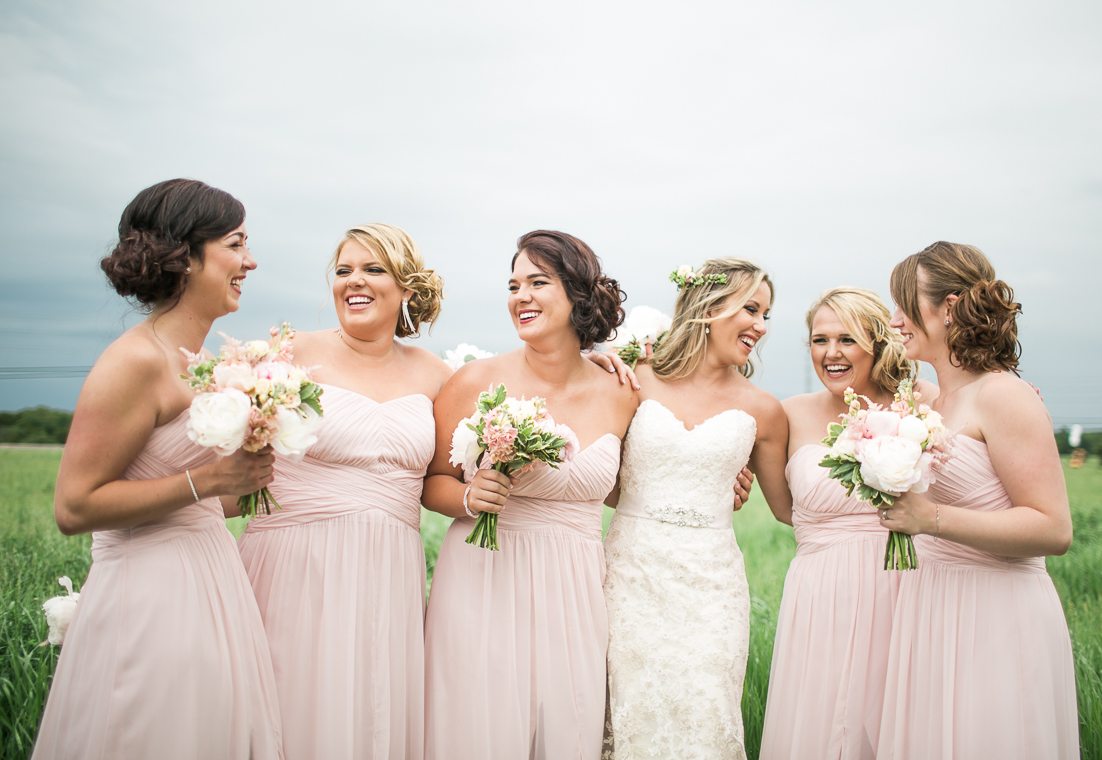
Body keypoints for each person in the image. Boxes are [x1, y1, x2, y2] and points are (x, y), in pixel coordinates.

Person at [33, 179, 283, 759]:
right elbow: (74, 507)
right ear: (185, 256)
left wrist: (247, 482)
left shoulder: (206, 364)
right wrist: (210, 481)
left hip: (213, 579)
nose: (250, 261)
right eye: (236, 243)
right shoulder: (134, 362)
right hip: (149, 594)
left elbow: (193, 493)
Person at [422, 230, 638, 760]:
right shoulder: (474, 380)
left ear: (577, 294)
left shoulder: (624, 390)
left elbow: (627, 486)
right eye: (514, 284)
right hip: (484, 574)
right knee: (477, 723)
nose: (521, 296)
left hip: (575, 585)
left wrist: (723, 477)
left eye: (538, 282)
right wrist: (470, 497)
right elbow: (432, 483)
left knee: (568, 721)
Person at [237, 223, 449, 759]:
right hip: (293, 564)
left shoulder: (435, 374)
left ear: (406, 287)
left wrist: (587, 359)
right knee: (289, 708)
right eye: (343, 270)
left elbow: (445, 476)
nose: (354, 281)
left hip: (389, 573)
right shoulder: (287, 353)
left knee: (373, 715)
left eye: (373, 269)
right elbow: (224, 462)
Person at [876, 241, 1078, 759]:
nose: (894, 320)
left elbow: (1053, 529)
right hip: (929, 604)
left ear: (948, 308)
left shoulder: (1002, 395)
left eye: (904, 303)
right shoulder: (924, 400)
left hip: (996, 610)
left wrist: (930, 518)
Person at [603, 258, 791, 760]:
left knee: (705, 709)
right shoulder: (633, 378)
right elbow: (602, 482)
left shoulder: (764, 410)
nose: (761, 326)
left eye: (766, 314)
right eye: (750, 308)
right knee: (626, 707)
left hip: (712, 585)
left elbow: (794, 511)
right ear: (707, 307)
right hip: (631, 574)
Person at [760, 287, 934, 760]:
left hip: (904, 585)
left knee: (895, 712)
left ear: (877, 342)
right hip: (820, 591)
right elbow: (782, 509)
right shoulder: (789, 413)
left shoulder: (921, 404)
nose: (831, 354)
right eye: (820, 340)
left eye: (846, 340)